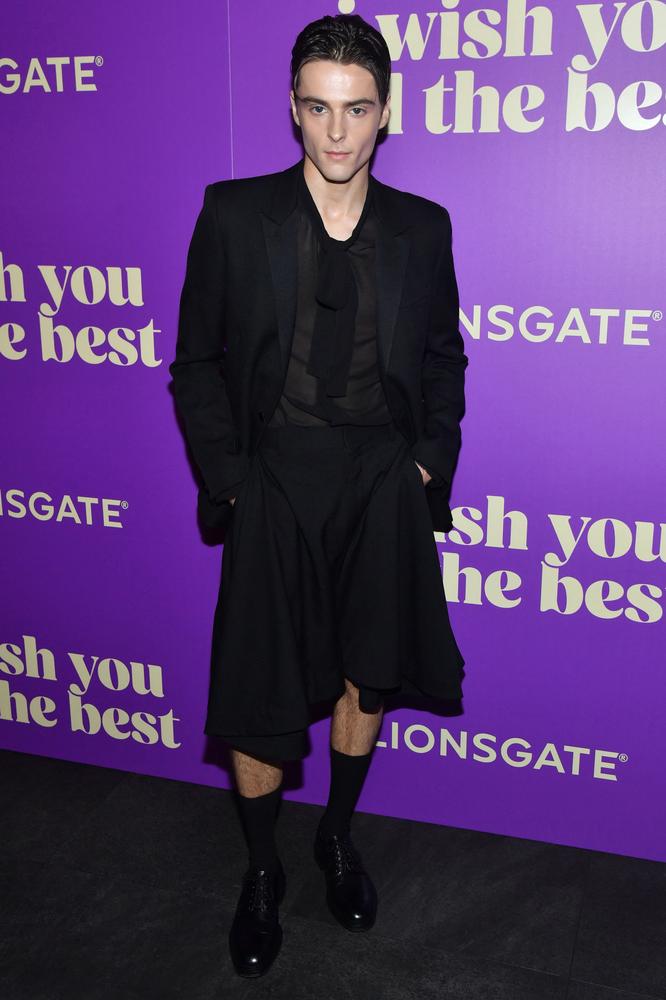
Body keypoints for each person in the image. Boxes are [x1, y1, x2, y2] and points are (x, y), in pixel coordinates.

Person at [169, 12, 468, 979]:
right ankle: (263, 871)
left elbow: (442, 360)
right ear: (293, 109)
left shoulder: (423, 227)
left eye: (358, 109)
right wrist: (232, 481)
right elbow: (196, 364)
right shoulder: (233, 214)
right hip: (274, 480)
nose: (337, 132)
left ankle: (335, 835)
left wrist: (426, 462)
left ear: (386, 113)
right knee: (259, 690)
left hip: (381, 479)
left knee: (365, 672)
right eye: (318, 108)